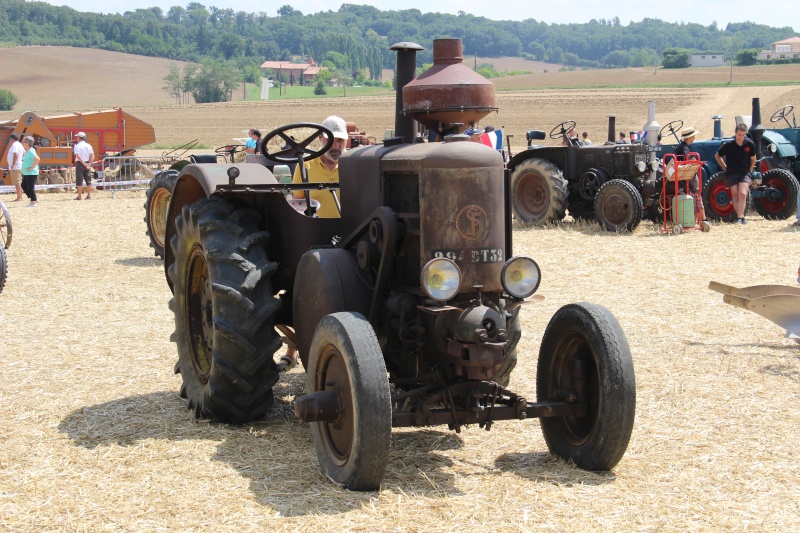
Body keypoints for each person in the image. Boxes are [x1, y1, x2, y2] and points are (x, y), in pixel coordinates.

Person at [291, 115, 348, 219]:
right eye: (330, 140)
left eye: (340, 140)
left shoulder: (355, 164)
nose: (335, 146)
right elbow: (298, 204)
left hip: (350, 230)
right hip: (316, 229)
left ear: (346, 140)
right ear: (320, 138)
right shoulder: (305, 165)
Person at [715, 123, 756, 224]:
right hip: (732, 173)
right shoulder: (728, 146)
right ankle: (740, 218)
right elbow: (717, 156)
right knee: (735, 194)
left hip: (744, 172)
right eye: (739, 135)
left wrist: (750, 169)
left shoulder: (749, 145)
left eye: (743, 135)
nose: (740, 137)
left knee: (742, 193)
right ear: (735, 133)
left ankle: (740, 217)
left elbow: (754, 159)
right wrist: (725, 167)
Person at [670, 126, 706, 222]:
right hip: (688, 175)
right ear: (689, 137)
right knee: (696, 194)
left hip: (684, 174)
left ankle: (698, 218)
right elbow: (687, 160)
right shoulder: (684, 147)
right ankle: (702, 218)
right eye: (693, 136)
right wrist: (694, 161)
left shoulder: (683, 146)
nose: (694, 138)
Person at [73, 132, 95, 200]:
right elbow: (92, 156)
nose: (76, 138)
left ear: (79, 138)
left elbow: (78, 156)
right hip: (87, 163)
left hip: (80, 164)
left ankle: (79, 196)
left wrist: (83, 163)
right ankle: (89, 195)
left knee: (80, 180)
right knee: (88, 180)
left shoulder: (77, 146)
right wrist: (89, 164)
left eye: (77, 137)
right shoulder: (89, 145)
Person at [20, 136, 40, 207]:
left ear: (28, 143)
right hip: (26, 172)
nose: (23, 143)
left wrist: (31, 167)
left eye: (24, 142)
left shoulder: (31, 151)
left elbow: (37, 159)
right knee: (24, 186)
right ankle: (34, 198)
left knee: (30, 187)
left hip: (31, 172)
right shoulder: (27, 151)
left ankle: (33, 202)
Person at [6, 133, 25, 202]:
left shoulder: (15, 145)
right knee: (18, 182)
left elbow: (16, 155)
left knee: (17, 183)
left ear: (12, 138)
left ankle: (19, 198)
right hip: (18, 165)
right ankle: (19, 197)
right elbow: (23, 153)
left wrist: (13, 164)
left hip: (16, 166)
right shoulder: (20, 144)